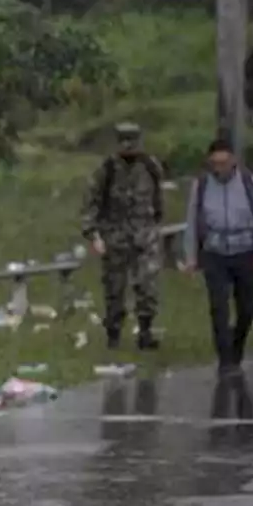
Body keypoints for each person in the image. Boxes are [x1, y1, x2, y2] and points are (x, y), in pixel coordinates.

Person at [180, 138, 253, 376]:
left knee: (246, 310)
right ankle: (225, 360)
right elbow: (192, 222)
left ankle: (236, 346)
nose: (219, 169)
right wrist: (191, 257)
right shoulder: (201, 185)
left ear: (234, 161)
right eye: (215, 164)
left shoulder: (249, 182)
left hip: (244, 250)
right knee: (219, 307)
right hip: (215, 252)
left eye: (224, 163)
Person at [81, 121, 166, 350]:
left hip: (144, 236)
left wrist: (156, 224)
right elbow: (92, 202)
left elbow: (158, 199)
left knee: (147, 286)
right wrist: (93, 234)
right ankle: (114, 333)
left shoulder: (150, 166)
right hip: (115, 237)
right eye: (124, 142)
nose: (129, 147)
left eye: (133, 142)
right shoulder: (107, 169)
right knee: (114, 288)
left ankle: (145, 331)